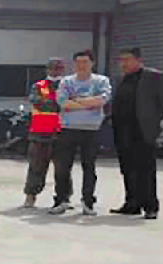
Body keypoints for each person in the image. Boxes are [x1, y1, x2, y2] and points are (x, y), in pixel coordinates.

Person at [49, 50, 112, 216]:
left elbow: (102, 100)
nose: (82, 65)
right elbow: (63, 102)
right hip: (68, 128)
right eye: (78, 62)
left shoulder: (101, 81)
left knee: (89, 167)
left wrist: (76, 100)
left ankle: (88, 202)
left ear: (92, 63)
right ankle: (62, 200)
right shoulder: (66, 82)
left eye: (85, 62)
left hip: (91, 130)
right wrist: (89, 103)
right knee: (62, 166)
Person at [110, 47, 163, 220]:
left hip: (143, 131)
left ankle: (150, 206)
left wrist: (155, 122)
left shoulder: (154, 77)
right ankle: (132, 204)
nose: (123, 63)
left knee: (145, 169)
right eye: (121, 60)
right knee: (127, 168)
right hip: (123, 131)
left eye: (127, 59)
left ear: (138, 60)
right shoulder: (122, 79)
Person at [23, 58, 66, 208]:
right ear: (47, 70)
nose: (56, 71)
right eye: (53, 68)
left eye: (59, 68)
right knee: (36, 165)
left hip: (62, 132)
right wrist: (59, 104)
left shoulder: (67, 85)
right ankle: (30, 195)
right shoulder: (39, 86)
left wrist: (58, 104)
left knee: (63, 167)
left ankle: (64, 198)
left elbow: (71, 104)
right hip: (40, 132)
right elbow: (37, 102)